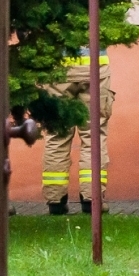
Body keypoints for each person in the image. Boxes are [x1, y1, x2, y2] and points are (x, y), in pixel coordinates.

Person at [39, 48, 112, 215]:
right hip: (95, 68)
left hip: (58, 70)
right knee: (94, 135)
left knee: (57, 135)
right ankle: (91, 199)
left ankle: (55, 201)